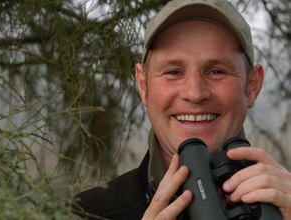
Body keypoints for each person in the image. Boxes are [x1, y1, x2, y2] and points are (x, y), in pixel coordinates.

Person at [75, 0, 291, 219]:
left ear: (252, 85)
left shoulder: (285, 204)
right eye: (173, 72)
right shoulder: (85, 213)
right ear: (143, 85)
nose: (195, 93)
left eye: (216, 71)